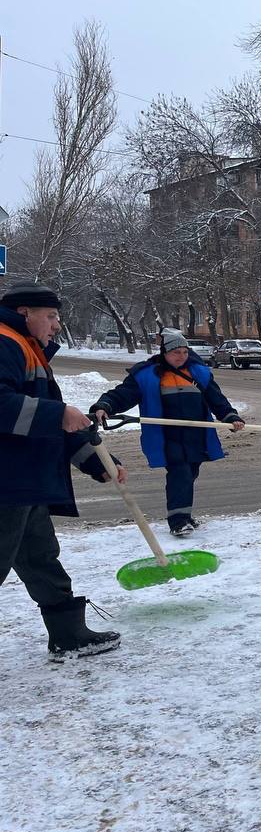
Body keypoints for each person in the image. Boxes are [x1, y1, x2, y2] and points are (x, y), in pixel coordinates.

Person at [0, 282, 126, 659]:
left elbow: (56, 423)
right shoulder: (4, 342)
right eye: (51, 316)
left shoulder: (29, 350)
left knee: (41, 557)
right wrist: (58, 413)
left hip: (24, 482)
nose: (56, 325)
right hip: (6, 481)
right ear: (25, 313)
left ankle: (68, 634)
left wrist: (94, 460)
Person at [90, 328, 244, 537]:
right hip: (167, 437)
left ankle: (184, 514)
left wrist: (231, 417)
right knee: (179, 473)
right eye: (175, 352)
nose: (181, 356)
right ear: (164, 352)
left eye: (184, 352)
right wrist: (105, 405)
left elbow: (216, 399)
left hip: (196, 436)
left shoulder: (198, 373)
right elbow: (122, 395)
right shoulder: (148, 375)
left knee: (189, 474)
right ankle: (178, 521)